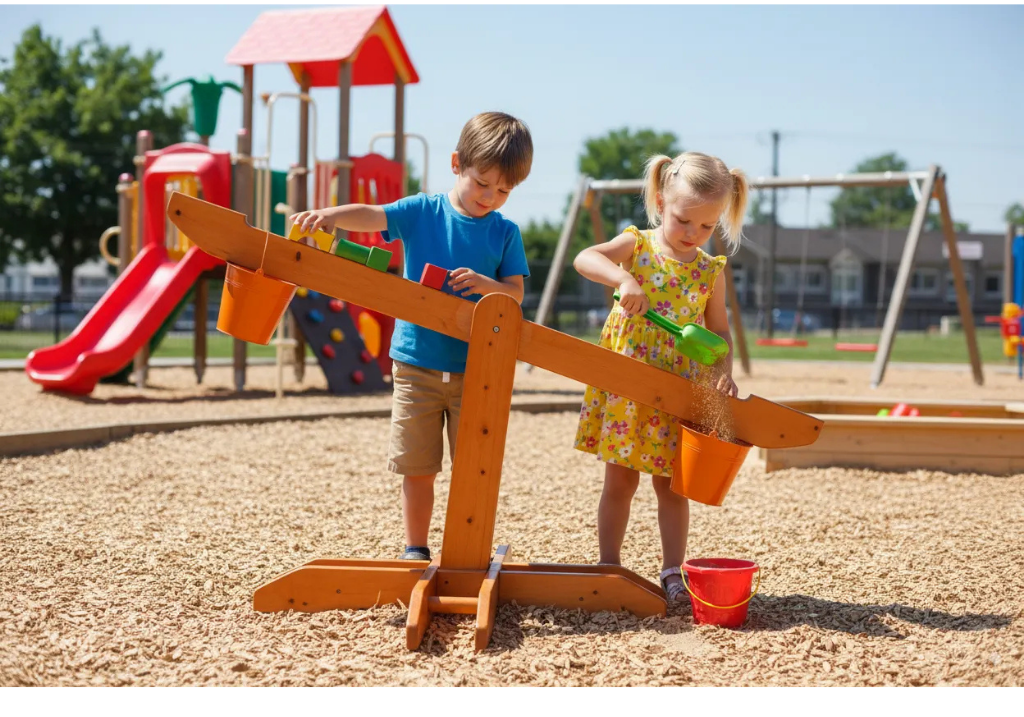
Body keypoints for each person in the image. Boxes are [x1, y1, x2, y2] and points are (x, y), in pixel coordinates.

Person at [290, 112, 532, 562]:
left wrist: (487, 285)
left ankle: (467, 553)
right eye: (483, 183)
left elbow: (515, 295)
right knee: (416, 466)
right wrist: (329, 217)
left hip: (476, 369)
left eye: (504, 191)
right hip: (416, 363)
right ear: (457, 163)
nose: (491, 197)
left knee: (473, 470)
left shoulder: (504, 232)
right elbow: (373, 215)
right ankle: (415, 548)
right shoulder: (423, 211)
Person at [572, 151, 748, 602]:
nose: (694, 234)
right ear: (660, 199)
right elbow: (585, 258)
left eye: (707, 227)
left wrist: (722, 374)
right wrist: (622, 280)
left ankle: (673, 572)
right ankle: (608, 566)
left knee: (672, 487)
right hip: (629, 384)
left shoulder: (710, 272)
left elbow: (719, 335)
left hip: (676, 392)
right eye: (683, 220)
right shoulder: (638, 246)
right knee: (620, 482)